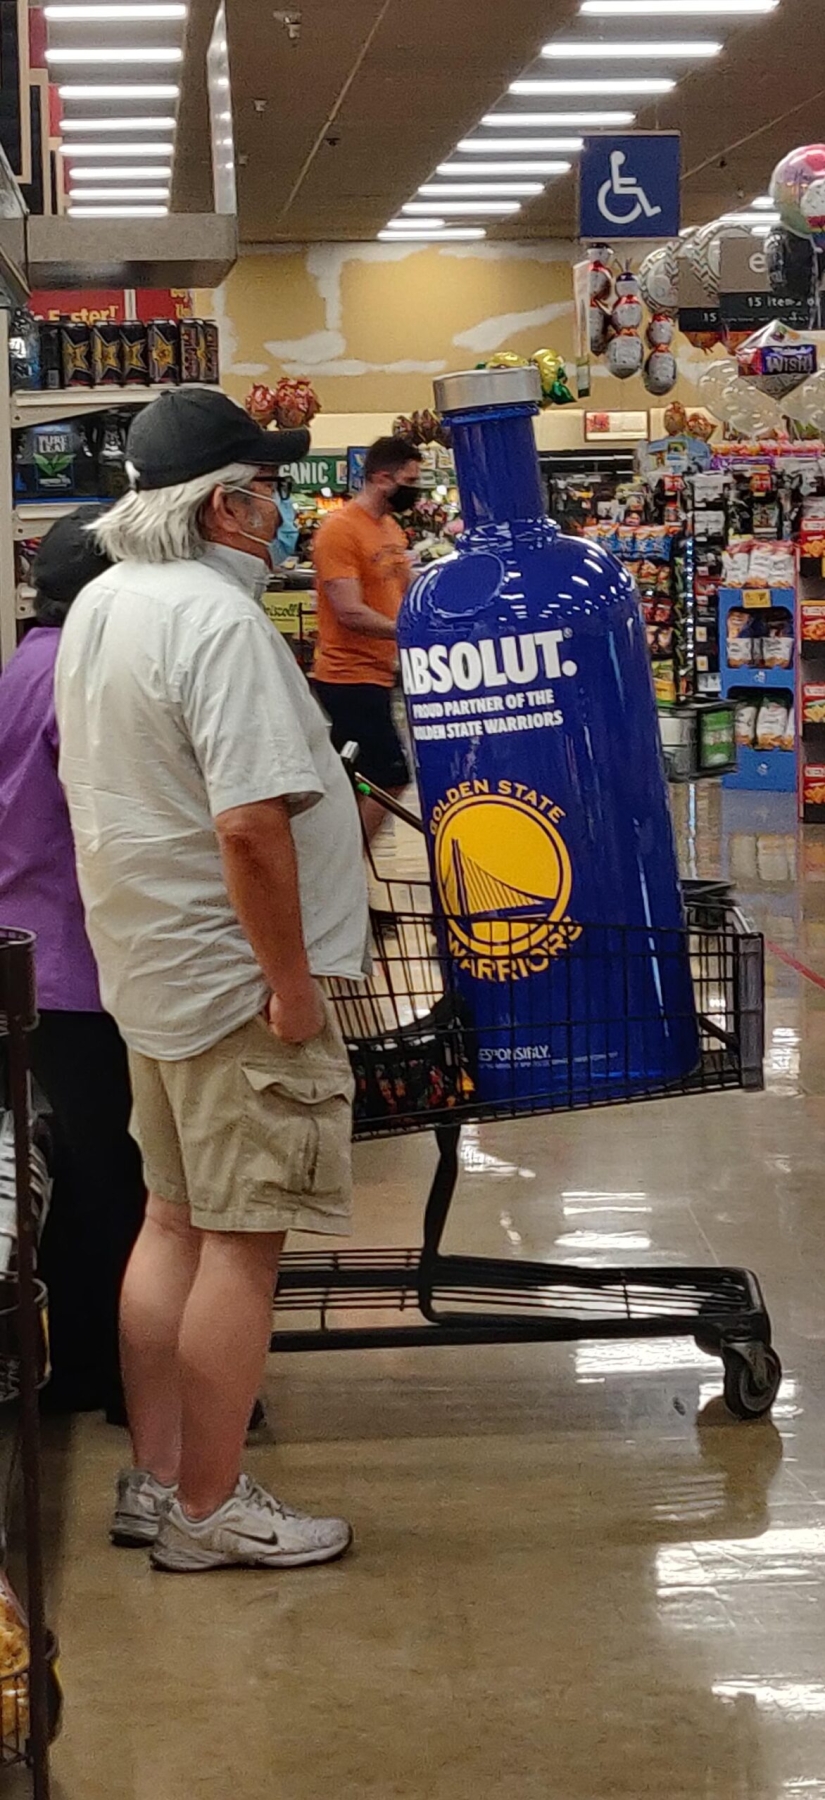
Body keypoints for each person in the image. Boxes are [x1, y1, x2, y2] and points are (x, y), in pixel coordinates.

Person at [55, 388, 369, 1573]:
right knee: (242, 1243)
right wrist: (290, 985)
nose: (281, 510)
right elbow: (248, 825)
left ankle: (160, 1479)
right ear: (224, 506)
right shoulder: (218, 621)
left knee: (172, 1221)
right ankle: (209, 1510)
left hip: (151, 967)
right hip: (237, 983)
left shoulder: (103, 604)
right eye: (268, 489)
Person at [0, 511, 146, 1422]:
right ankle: (126, 1377)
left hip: (27, 954)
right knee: (116, 1180)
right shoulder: (81, 680)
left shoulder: (24, 666)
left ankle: (80, 1366)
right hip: (82, 964)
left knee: (70, 1176)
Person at [312, 435, 422, 840]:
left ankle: (338, 861)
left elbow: (404, 586)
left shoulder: (390, 528)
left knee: (350, 782)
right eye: (409, 481)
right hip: (348, 676)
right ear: (381, 478)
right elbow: (349, 610)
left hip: (379, 672)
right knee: (388, 776)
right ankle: (346, 863)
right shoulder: (339, 530)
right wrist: (410, 631)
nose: (415, 489)